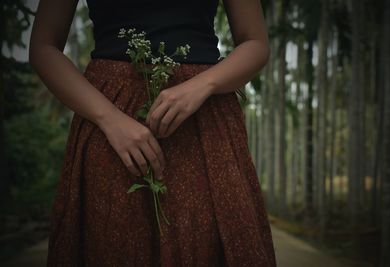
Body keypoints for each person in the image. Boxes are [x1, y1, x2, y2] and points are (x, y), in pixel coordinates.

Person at [29, 0, 277, 266]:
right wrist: (109, 118)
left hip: (203, 118)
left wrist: (202, 85)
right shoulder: (108, 120)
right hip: (107, 123)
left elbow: (255, 43)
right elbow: (43, 47)